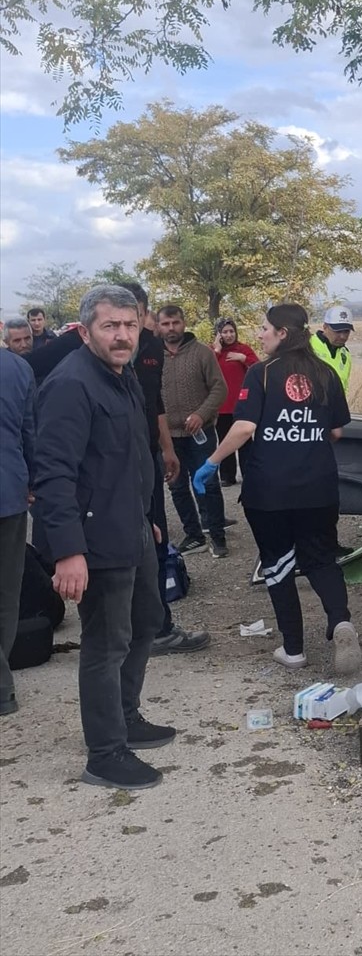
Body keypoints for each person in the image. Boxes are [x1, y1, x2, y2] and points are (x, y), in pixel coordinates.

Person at [31, 284, 173, 790]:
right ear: (86, 329)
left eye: (130, 325)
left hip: (131, 524)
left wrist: (146, 515)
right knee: (105, 643)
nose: (121, 335)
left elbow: (131, 457)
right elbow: (52, 474)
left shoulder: (123, 376)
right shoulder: (71, 384)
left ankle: (127, 718)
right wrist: (68, 551)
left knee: (146, 622)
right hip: (94, 539)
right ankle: (104, 753)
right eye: (110, 326)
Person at [194, 303, 361, 675]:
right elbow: (336, 431)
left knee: (278, 565)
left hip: (270, 491)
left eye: (266, 328)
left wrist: (211, 463)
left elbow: (243, 428)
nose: (260, 334)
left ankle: (294, 648)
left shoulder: (261, 373)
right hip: (318, 488)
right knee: (320, 558)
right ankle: (340, 621)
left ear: (283, 332)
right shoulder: (325, 374)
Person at [117, 284, 210, 657]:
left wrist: (167, 449)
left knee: (155, 538)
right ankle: (122, 628)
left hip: (148, 456)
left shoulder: (153, 348)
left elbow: (153, 402)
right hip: (110, 466)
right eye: (116, 320)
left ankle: (159, 628)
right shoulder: (83, 354)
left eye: (134, 316)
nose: (127, 328)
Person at [158, 305, 228, 557]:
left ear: (184, 323)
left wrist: (202, 413)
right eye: (165, 324)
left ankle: (217, 535)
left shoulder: (202, 354)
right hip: (168, 436)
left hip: (201, 432)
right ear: (158, 326)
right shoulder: (152, 357)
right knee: (176, 487)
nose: (170, 328)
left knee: (207, 483)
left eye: (175, 322)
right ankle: (194, 534)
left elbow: (220, 389)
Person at [0, 346, 36, 716]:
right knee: (7, 594)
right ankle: (2, 687)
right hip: (9, 487)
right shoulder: (18, 367)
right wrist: (32, 478)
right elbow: (30, 430)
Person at [212, 318, 259, 487]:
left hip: (241, 405)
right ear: (218, 334)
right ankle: (227, 475)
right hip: (221, 406)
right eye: (225, 332)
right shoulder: (212, 351)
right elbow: (205, 369)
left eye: (231, 331)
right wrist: (217, 350)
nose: (229, 335)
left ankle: (249, 473)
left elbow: (259, 368)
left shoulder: (243, 349)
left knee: (245, 441)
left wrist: (243, 358)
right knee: (225, 440)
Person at [310, 306, 353, 393]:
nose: (343, 336)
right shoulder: (308, 347)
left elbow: (344, 387)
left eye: (346, 331)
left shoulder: (345, 354)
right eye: (337, 331)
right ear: (325, 327)